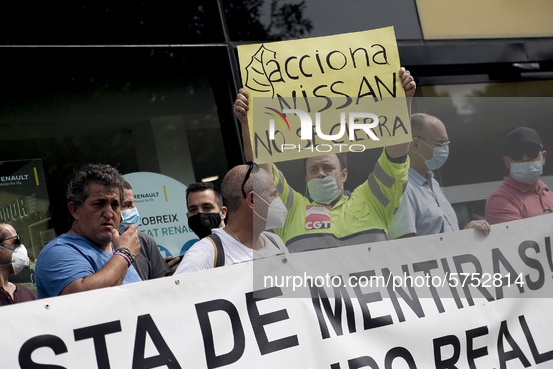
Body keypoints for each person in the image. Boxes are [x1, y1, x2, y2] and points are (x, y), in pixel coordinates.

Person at [234, 67, 416, 252]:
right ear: (306, 179)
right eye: (313, 169)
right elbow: (262, 169)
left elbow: (396, 157)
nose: (320, 173)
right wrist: (248, 123)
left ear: (343, 174)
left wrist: (403, 103)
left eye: (327, 167)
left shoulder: (372, 199)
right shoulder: (291, 211)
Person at [35, 163, 142, 298]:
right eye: (99, 204)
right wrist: (125, 254)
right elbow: (84, 299)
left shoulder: (117, 249)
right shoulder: (58, 251)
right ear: (75, 210)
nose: (109, 214)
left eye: (115, 205)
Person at [388, 113, 490, 239]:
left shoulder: (431, 182)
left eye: (447, 143)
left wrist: (465, 234)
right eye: (440, 143)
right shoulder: (401, 188)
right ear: (415, 145)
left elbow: (441, 237)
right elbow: (408, 250)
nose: (445, 149)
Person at [175, 164, 288, 274]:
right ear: (252, 200)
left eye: (207, 207)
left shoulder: (275, 242)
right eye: (273, 194)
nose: (278, 200)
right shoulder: (204, 254)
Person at [485, 127, 553, 224]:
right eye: (517, 154)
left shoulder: (549, 194)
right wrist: (550, 213)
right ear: (507, 162)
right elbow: (518, 236)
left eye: (531, 152)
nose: (525, 159)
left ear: (543, 157)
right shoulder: (500, 200)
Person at [120, 180, 170, 279]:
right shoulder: (100, 246)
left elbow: (161, 285)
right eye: (127, 205)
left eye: (133, 204)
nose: (134, 209)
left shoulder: (144, 241)